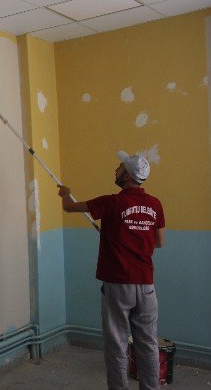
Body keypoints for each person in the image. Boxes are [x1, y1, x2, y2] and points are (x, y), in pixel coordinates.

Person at [58, 151, 165, 390]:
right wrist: (131, 235)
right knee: (147, 345)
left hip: (118, 285)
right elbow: (158, 242)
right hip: (147, 286)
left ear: (127, 176)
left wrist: (65, 193)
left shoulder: (110, 202)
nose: (115, 170)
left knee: (117, 344)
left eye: (119, 167)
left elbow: (69, 207)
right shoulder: (155, 204)